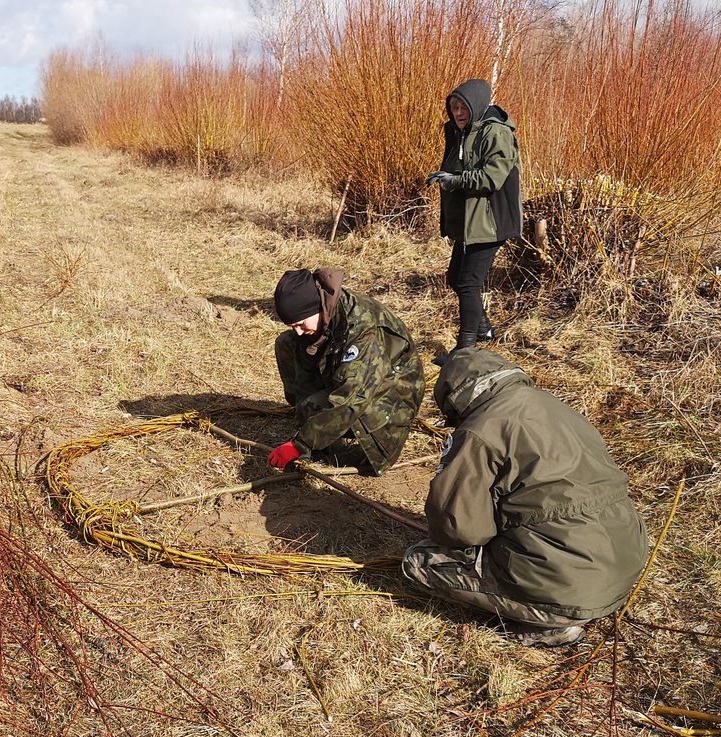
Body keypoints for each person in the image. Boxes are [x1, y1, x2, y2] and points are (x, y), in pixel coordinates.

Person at [400, 348, 648, 647]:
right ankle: (576, 598)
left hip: (570, 583)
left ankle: (552, 620)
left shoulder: (481, 429)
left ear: (454, 395)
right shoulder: (555, 406)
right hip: (626, 561)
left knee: (420, 562)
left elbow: (458, 529)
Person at [268, 267, 424, 476]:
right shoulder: (323, 312)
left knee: (335, 403)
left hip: (393, 392)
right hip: (356, 379)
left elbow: (352, 398)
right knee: (287, 343)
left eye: (301, 323)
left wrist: (300, 444)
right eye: (292, 324)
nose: (298, 330)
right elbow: (305, 369)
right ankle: (314, 417)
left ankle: (329, 426)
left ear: (315, 307)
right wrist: (305, 413)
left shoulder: (363, 329)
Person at [427, 78, 522, 357]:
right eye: (454, 108)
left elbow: (492, 177)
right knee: (455, 278)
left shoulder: (496, 133)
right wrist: (445, 178)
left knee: (468, 283)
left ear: (477, 106)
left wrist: (455, 181)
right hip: (471, 224)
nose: (458, 113)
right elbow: (461, 169)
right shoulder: (463, 133)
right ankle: (483, 329)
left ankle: (465, 350)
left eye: (463, 107)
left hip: (491, 222)